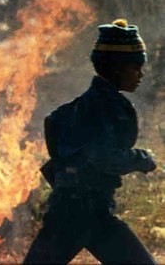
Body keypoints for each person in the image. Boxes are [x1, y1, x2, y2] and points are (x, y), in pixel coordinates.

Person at [23, 19, 158, 264]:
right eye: (135, 67)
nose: (140, 74)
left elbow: (53, 127)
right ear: (117, 69)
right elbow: (105, 157)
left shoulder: (86, 104)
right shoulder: (104, 107)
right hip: (77, 213)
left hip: (87, 212)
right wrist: (143, 159)